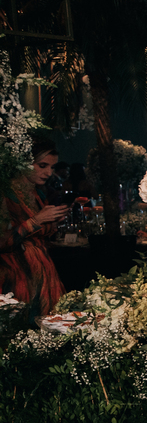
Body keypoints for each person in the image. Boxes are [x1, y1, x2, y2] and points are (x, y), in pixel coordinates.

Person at [1, 139, 67, 325]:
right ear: (23, 163)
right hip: (19, 279)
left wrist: (53, 222)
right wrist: (36, 221)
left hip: (44, 278)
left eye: (52, 167)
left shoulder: (37, 193)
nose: (48, 173)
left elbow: (39, 236)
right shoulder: (6, 194)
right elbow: (3, 241)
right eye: (42, 166)